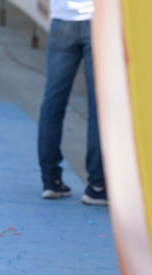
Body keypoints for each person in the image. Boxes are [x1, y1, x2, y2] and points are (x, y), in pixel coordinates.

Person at [37, 0, 108, 205]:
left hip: (61, 21)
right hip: (96, 22)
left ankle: (51, 179)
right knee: (98, 104)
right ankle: (97, 184)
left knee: (52, 102)